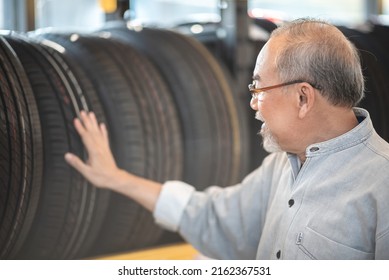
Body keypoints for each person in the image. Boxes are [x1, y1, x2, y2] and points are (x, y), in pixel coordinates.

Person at [64, 18, 389, 259]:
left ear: (303, 98)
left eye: (259, 88)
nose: (252, 103)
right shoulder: (280, 167)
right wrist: (116, 178)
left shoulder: (382, 186)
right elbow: (210, 216)